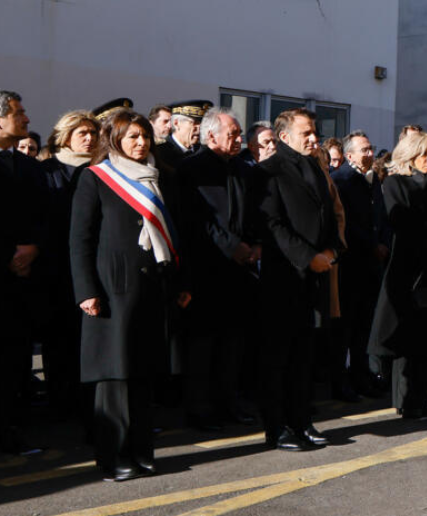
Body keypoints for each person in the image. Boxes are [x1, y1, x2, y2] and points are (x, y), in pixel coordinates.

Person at [70, 110, 191, 480]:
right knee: (114, 376)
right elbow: (80, 239)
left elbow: (174, 233)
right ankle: (112, 456)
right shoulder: (96, 177)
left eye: (144, 137)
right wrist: (86, 290)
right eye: (132, 137)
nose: (141, 143)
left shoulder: (160, 177)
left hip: (152, 287)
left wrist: (181, 283)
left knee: (144, 373)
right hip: (112, 289)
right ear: (116, 140)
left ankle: (140, 450)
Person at [255, 108, 342, 452]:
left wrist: (333, 250)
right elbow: (271, 224)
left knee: (304, 355)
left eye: (314, 132)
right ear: (284, 136)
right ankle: (277, 428)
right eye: (306, 133)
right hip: (284, 277)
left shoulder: (314, 167)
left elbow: (328, 214)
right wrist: (309, 257)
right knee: (278, 357)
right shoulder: (268, 171)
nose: (313, 138)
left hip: (315, 276)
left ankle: (302, 420)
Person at [176, 107, 260, 430]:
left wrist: (254, 244)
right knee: (202, 344)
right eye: (233, 133)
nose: (239, 139)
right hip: (206, 269)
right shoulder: (191, 170)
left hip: (241, 269)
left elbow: (252, 213)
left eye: (239, 133)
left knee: (233, 342)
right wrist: (231, 246)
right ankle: (200, 408)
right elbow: (196, 220)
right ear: (211, 135)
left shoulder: (243, 168)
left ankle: (229, 402)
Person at [368, 132, 427, 420]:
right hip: (406, 269)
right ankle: (405, 400)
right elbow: (402, 222)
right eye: (423, 154)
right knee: (405, 338)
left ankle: (421, 397)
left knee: (425, 338)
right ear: (409, 155)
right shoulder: (394, 183)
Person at [37, 109, 100, 418]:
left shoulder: (101, 171)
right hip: (54, 268)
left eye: (93, 133)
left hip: (90, 267)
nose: (89, 138)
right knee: (58, 339)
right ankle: (60, 402)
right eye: (82, 133)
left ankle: (86, 401)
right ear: (65, 136)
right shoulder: (46, 170)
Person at [0, 90, 44, 455]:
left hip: (21, 282)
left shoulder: (29, 167)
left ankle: (10, 429)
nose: (27, 119)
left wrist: (33, 248)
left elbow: (45, 216)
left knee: (15, 358)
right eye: (19, 112)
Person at [330, 131, 386, 397]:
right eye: (363, 150)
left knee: (365, 325)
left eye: (370, 148)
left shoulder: (372, 180)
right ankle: (340, 381)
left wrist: (382, 241)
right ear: (349, 154)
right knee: (346, 328)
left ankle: (361, 375)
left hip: (370, 264)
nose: (369, 153)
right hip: (351, 264)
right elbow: (345, 223)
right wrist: (371, 244)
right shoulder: (341, 179)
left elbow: (379, 216)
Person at [155, 101, 212, 171]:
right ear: (176, 123)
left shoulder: (204, 152)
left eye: (203, 123)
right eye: (195, 122)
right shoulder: (160, 153)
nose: (200, 127)